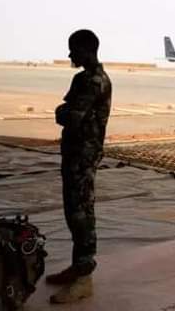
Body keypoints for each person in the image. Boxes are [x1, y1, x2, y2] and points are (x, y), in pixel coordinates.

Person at [47, 29, 112, 304]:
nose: (70, 54)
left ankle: (84, 277)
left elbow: (69, 116)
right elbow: (69, 112)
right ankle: (78, 267)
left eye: (73, 49)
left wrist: (62, 112)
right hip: (76, 154)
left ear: (87, 49)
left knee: (81, 214)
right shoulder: (83, 79)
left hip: (82, 157)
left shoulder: (92, 81)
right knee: (74, 211)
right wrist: (65, 111)